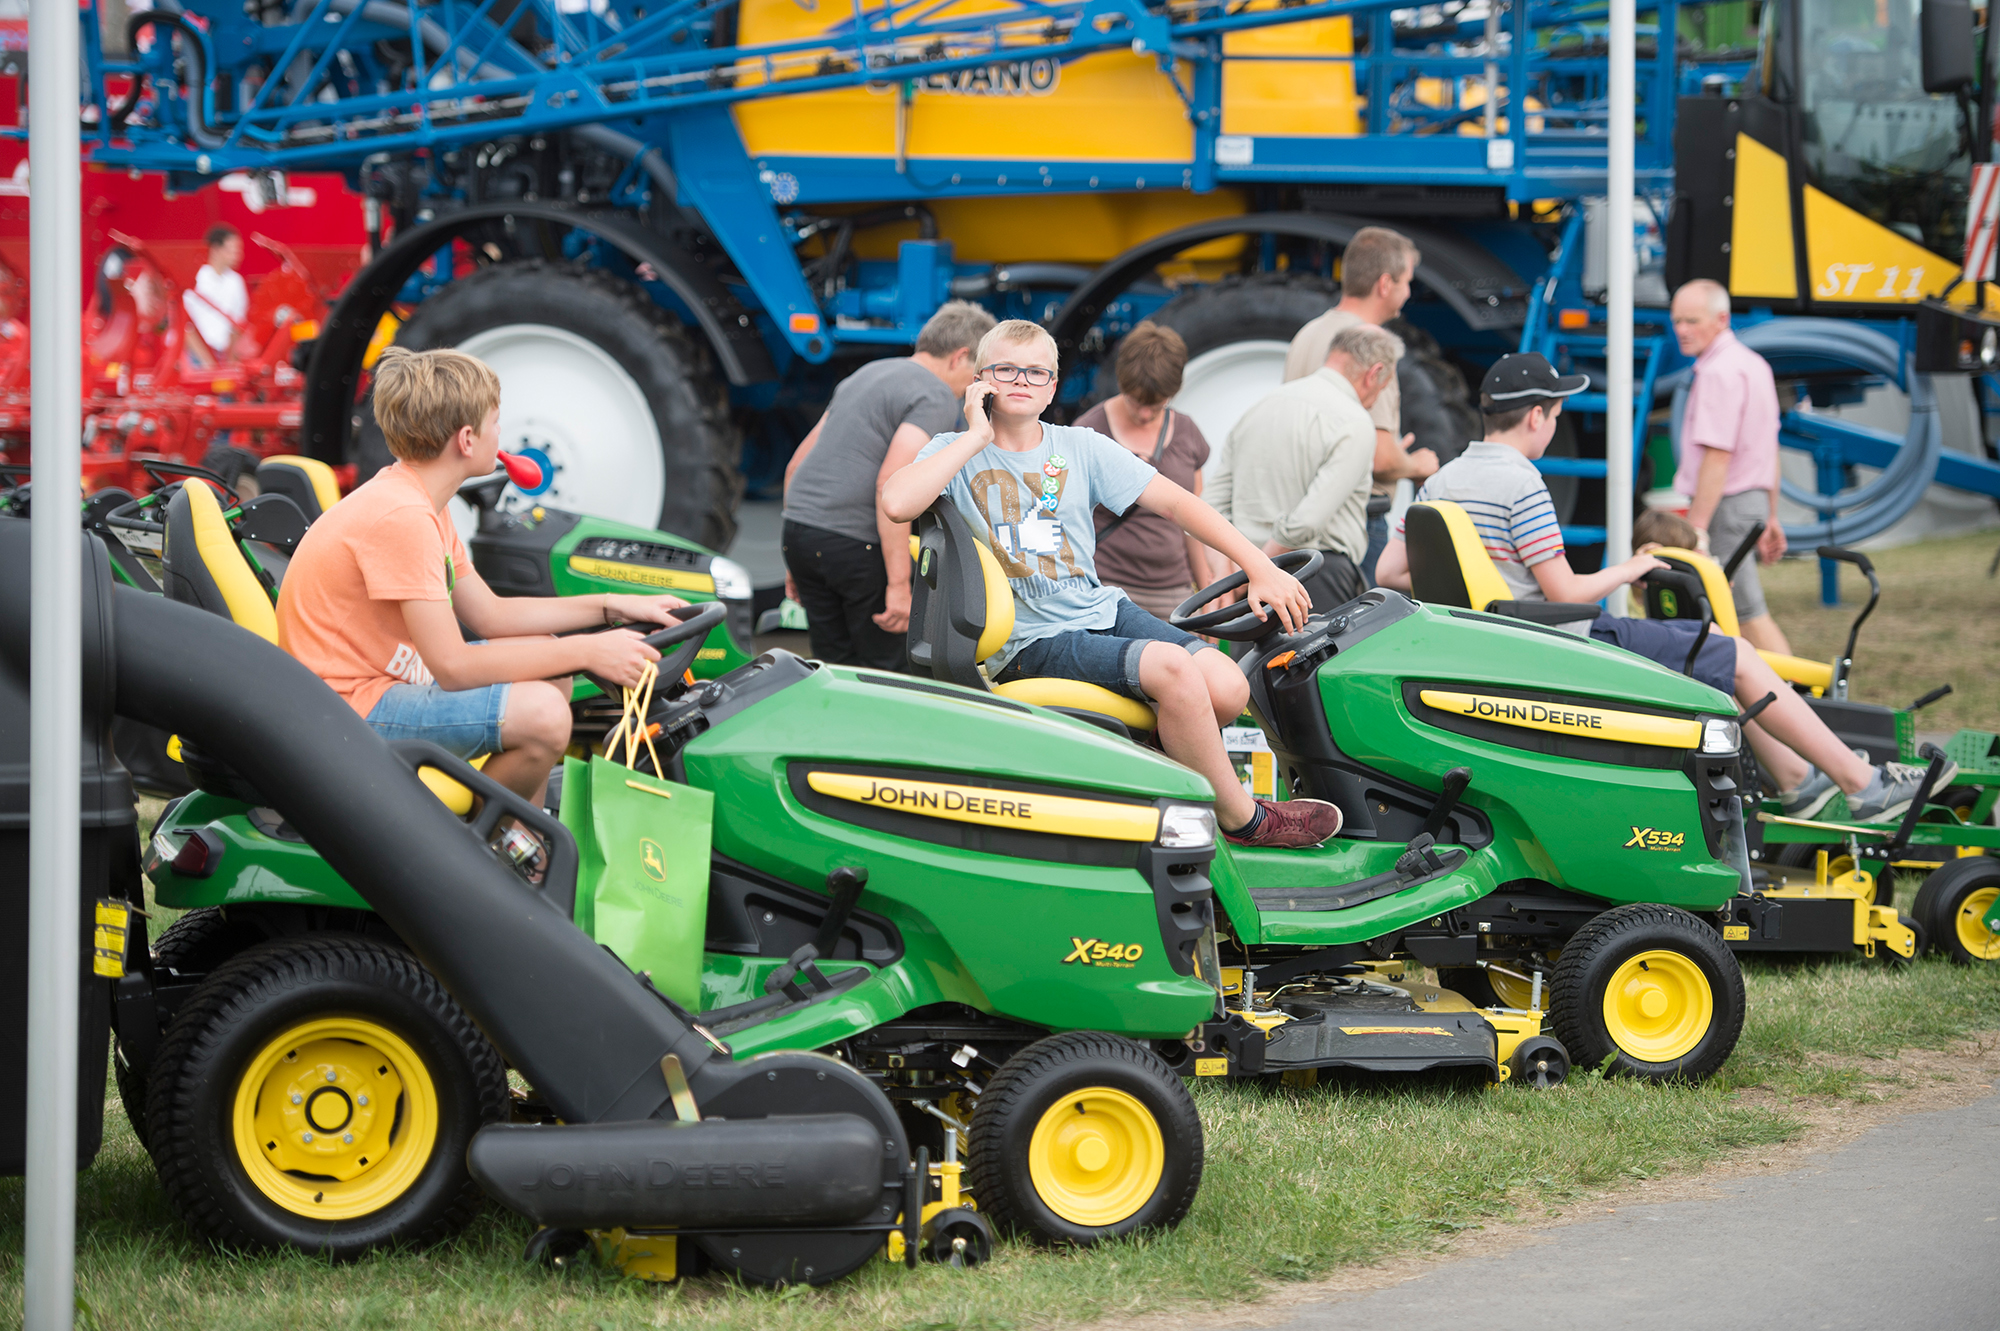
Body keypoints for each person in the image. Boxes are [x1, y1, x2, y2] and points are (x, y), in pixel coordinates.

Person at [1374, 353, 1954, 823]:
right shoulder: (1521, 483)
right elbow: (1564, 588)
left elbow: (1390, 574)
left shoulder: (1444, 479)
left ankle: (1800, 781)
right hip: (1556, 639)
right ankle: (1864, 785)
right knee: (1738, 654)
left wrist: (1485, 582)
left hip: (1493, 637)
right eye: (1555, 414)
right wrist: (1630, 568)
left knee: (1712, 666)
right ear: (1536, 416)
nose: (1553, 426)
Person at [882, 319, 1338, 849]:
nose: (1021, 381)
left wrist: (1261, 566)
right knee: (1174, 670)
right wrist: (977, 434)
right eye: (1005, 369)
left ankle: (1163, 775)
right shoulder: (953, 450)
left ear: (1053, 387)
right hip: (1029, 640)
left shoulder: (1080, 446)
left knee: (1229, 686)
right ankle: (1245, 820)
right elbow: (896, 503)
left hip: (1098, 609)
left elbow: (1177, 502)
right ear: (980, 380)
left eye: (1036, 372)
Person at [276, 347, 690, 805]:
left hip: (382, 688)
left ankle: (525, 842)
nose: (502, 434)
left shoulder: (419, 500)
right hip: (349, 711)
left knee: (550, 664)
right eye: (497, 422)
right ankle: (476, 850)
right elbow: (452, 668)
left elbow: (490, 614)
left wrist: (609, 606)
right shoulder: (401, 518)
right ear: (468, 440)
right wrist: (591, 648)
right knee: (546, 716)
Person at [782, 300, 995, 670]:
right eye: (976, 375)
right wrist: (899, 585)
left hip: (801, 534)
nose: (971, 388)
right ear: (960, 357)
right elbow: (889, 483)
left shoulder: (866, 374)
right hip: (855, 545)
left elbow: (796, 464)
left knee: (832, 666)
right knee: (886, 671)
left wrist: (794, 560)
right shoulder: (935, 394)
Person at [1209, 323, 1403, 611]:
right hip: (1315, 578)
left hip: (1250, 575)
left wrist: (1226, 574)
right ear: (1374, 374)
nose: (1375, 401)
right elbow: (1306, 522)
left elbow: (1212, 502)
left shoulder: (1261, 406)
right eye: (1381, 390)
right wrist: (1254, 576)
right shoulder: (1355, 423)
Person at [1282, 226, 1438, 582]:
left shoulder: (1307, 334)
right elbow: (1379, 458)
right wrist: (1416, 464)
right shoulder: (1373, 346)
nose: (1408, 292)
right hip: (1355, 521)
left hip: (1301, 514)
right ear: (1385, 284)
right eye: (1406, 282)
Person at [1670, 278, 1793, 655]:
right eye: (1676, 321)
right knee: (1741, 613)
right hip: (1750, 501)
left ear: (1722, 319)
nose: (1682, 331)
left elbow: (1718, 457)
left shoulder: (1717, 372)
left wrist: (1698, 529)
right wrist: (1770, 513)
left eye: (1691, 321)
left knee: (1746, 614)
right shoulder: (1753, 364)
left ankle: (1798, 703)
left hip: (1724, 505)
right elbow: (1768, 448)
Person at [1073, 322, 1215, 621]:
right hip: (1106, 585)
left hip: (1173, 591)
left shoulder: (1187, 432)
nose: (1146, 414)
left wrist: (1205, 593)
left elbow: (1194, 519)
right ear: (1123, 385)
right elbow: (1070, 517)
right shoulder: (1088, 431)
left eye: (1158, 404)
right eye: (1137, 402)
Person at [183, 223, 248, 364]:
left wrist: (231, 361)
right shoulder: (195, 277)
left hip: (224, 356)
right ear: (216, 249)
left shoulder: (236, 281)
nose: (239, 255)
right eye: (233, 250)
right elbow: (184, 324)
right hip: (195, 356)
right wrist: (206, 360)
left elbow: (237, 326)